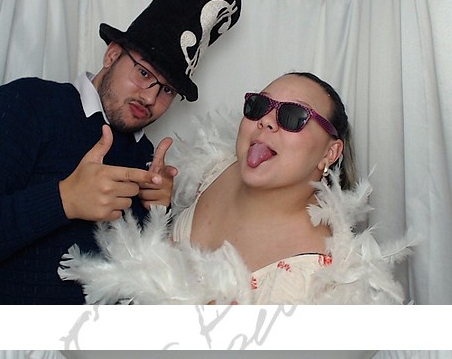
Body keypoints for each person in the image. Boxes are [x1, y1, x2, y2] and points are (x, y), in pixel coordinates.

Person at [0, 0, 241, 303]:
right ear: (112, 55)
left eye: (166, 90)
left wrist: (158, 214)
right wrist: (63, 200)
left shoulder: (148, 160)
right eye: (143, 73)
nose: (150, 97)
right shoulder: (26, 105)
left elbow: (142, 284)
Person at [60, 72, 407, 304]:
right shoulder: (215, 169)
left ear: (330, 152)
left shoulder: (325, 275)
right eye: (259, 106)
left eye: (292, 116)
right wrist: (158, 210)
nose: (266, 120)